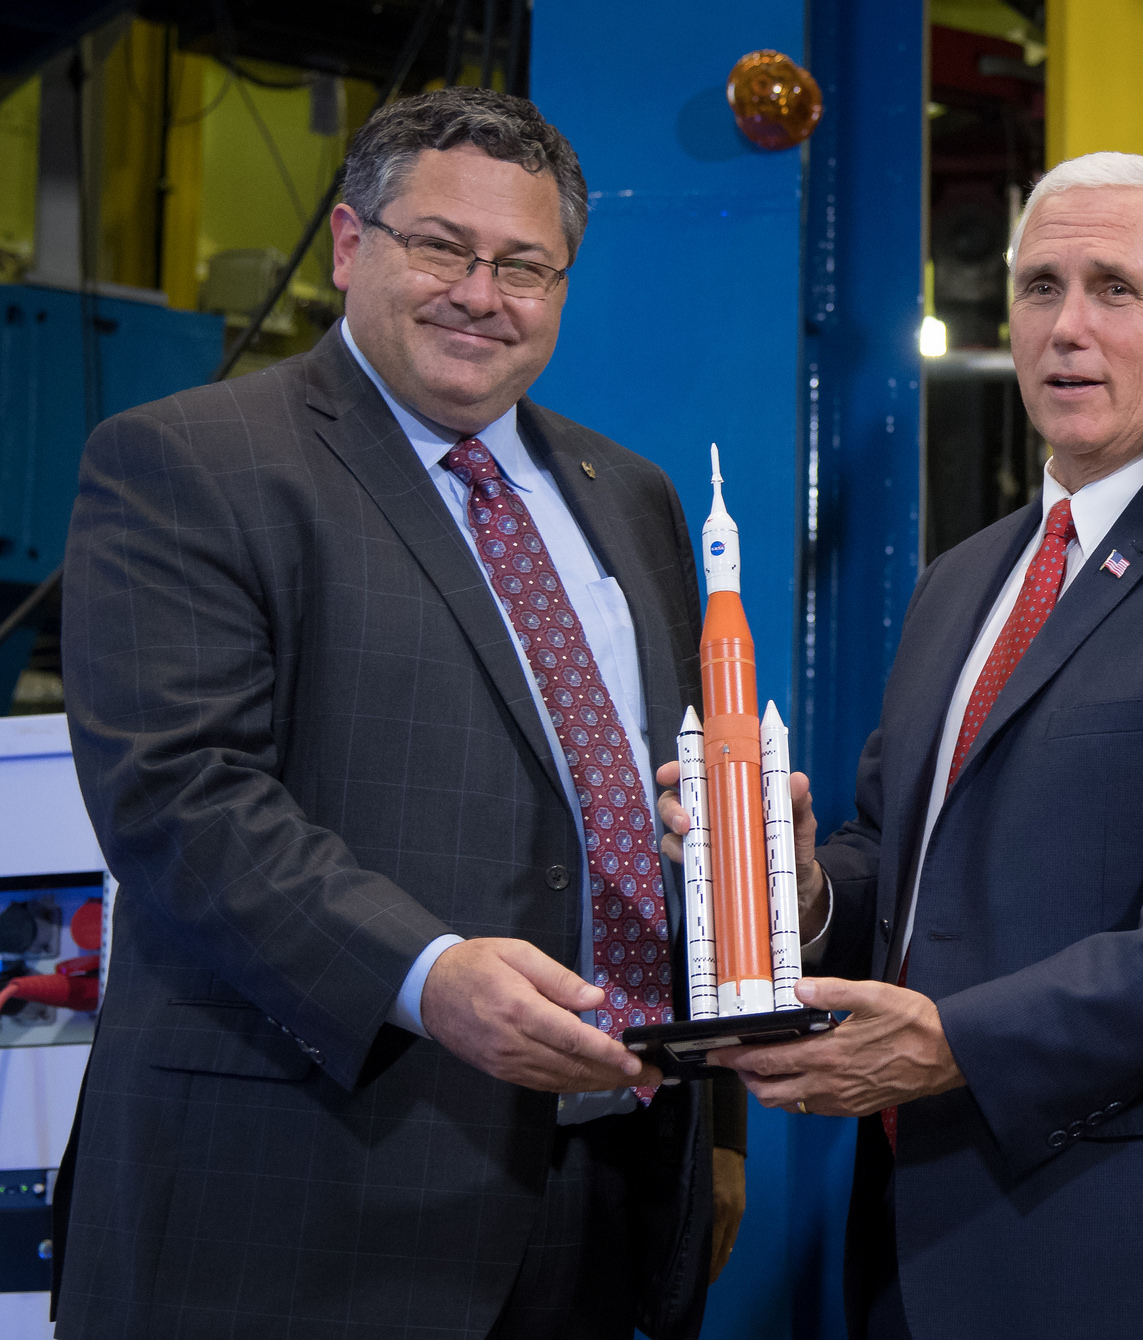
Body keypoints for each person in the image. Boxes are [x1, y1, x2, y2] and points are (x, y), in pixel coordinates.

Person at [664, 151, 1143, 1339]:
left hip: (1132, 1249)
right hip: (914, 1237)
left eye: (1114, 288)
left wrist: (954, 1043)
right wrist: (797, 889)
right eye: (1038, 286)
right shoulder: (963, 581)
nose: (1066, 328)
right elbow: (893, 859)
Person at [57, 87, 744, 1340]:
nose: (482, 294)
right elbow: (181, 799)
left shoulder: (628, 493)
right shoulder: (188, 461)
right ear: (346, 245)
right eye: (441, 246)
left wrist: (717, 1117)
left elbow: (668, 808)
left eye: (525, 265)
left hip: (603, 1175)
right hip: (305, 1182)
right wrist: (425, 977)